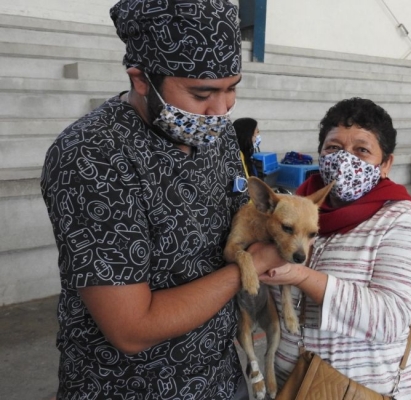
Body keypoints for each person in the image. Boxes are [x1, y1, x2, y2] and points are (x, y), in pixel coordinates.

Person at [39, 1, 289, 399]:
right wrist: (252, 265)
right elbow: (132, 329)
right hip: (130, 386)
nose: (221, 109)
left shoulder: (215, 134)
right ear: (141, 79)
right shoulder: (92, 156)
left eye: (232, 88)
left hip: (220, 373)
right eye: (202, 92)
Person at [258, 98, 411, 399]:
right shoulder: (290, 211)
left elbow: (392, 318)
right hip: (290, 382)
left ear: (386, 164)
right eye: (333, 148)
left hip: (356, 390)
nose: (344, 159)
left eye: (362, 150)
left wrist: (303, 278)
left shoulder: (404, 218)